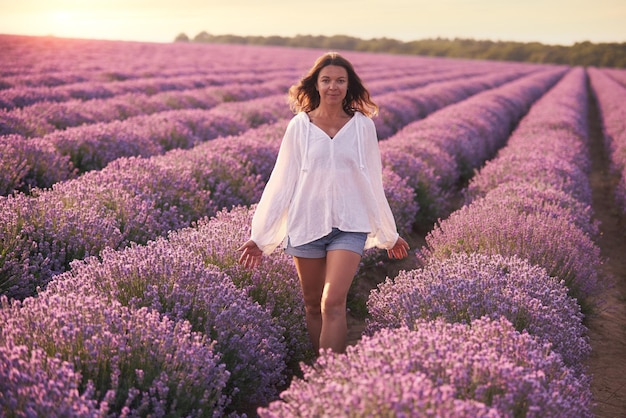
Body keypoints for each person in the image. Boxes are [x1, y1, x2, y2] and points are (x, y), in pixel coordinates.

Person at [237, 52, 409, 354]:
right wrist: (260, 236)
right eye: (326, 80)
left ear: (349, 85)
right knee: (312, 304)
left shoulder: (362, 126)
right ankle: (321, 376)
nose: (333, 86)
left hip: (350, 225)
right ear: (315, 85)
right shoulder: (299, 127)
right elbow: (282, 180)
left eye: (340, 81)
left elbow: (372, 181)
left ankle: (332, 376)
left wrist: (387, 231)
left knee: (333, 302)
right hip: (307, 223)